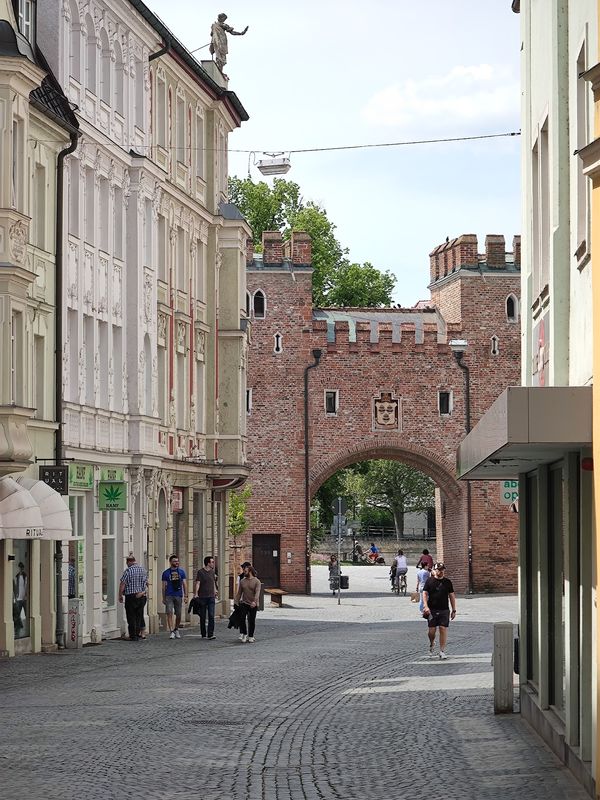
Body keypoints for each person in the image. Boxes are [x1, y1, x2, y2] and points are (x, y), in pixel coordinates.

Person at [422, 562, 457, 660]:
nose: (441, 572)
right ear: (435, 570)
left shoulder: (447, 582)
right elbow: (424, 593)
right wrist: (425, 606)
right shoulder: (429, 581)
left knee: (443, 628)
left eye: (442, 570)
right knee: (431, 631)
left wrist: (454, 609)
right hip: (432, 609)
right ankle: (432, 643)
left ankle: (442, 651)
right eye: (439, 570)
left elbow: (452, 596)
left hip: (444, 609)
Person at [119, 554, 148, 642]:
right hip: (141, 595)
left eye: (127, 563)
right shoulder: (143, 570)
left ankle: (132, 635)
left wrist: (120, 595)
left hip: (131, 596)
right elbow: (147, 583)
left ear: (129, 562)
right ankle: (137, 633)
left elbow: (123, 584)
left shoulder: (128, 571)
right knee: (139, 616)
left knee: (131, 616)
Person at [162, 555, 187, 639]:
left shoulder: (181, 572)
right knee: (169, 613)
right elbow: (163, 586)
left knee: (178, 614)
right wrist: (163, 597)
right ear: (170, 562)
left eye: (177, 561)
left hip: (178, 595)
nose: (177, 563)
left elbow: (184, 584)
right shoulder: (166, 573)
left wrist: (186, 595)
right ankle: (171, 631)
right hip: (169, 595)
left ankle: (176, 629)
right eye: (175, 561)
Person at [235, 563, 261, 643]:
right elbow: (239, 593)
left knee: (251, 620)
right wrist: (236, 601)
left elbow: (257, 593)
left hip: (253, 604)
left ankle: (251, 636)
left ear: (250, 571)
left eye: (245, 571)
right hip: (244, 603)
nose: (244, 572)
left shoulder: (257, 581)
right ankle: (244, 634)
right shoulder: (242, 581)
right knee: (242, 618)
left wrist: (255, 602)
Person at [194, 555, 218, 639]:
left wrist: (215, 590)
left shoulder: (212, 572)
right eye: (212, 562)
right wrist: (196, 593)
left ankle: (210, 634)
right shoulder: (201, 572)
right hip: (202, 597)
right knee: (203, 616)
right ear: (208, 563)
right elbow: (198, 583)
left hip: (211, 597)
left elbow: (213, 582)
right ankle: (203, 634)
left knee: (211, 615)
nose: (213, 563)